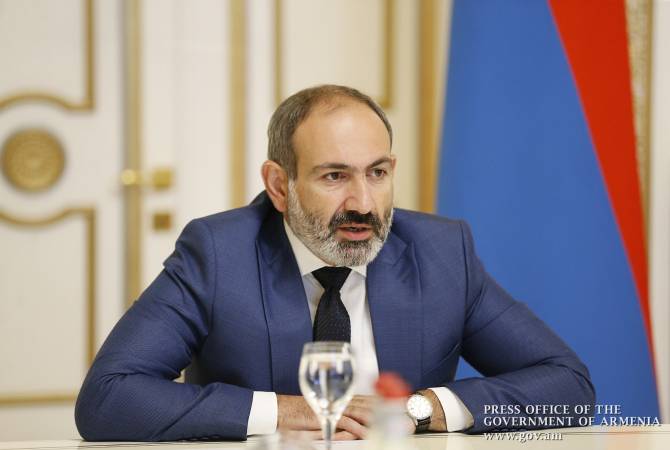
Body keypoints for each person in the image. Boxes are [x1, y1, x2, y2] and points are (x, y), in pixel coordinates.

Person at [75, 85, 595, 441]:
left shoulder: (441, 252)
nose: (363, 204)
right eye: (334, 176)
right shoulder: (218, 253)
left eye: (377, 173)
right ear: (280, 185)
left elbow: (568, 386)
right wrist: (288, 412)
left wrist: (421, 410)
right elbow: (107, 398)